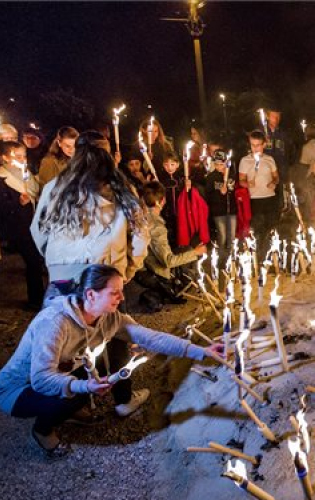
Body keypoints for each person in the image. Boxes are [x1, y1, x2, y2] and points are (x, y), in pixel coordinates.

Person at [0, 264, 222, 458]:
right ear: (91, 295)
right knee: (76, 395)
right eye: (115, 293)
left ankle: (68, 406)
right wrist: (84, 386)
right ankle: (42, 430)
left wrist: (201, 351)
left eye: (121, 291)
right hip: (17, 389)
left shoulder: (109, 318)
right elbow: (40, 379)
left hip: (61, 372)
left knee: (91, 379)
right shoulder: (55, 323)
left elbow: (151, 337)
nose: (122, 298)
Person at [31, 131, 150, 303]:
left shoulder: (54, 188)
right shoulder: (123, 190)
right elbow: (140, 235)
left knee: (61, 325)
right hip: (106, 272)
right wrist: (127, 270)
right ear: (108, 155)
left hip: (63, 272)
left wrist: (55, 258)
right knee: (105, 327)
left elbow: (39, 230)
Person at [136, 182, 206, 310]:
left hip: (142, 267)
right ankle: (171, 288)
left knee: (184, 249)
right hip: (150, 272)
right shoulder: (156, 226)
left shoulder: (142, 217)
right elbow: (168, 261)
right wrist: (196, 252)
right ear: (161, 201)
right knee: (189, 253)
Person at [0, 141, 44, 309]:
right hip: (18, 229)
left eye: (24, 156)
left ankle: (38, 298)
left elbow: (36, 190)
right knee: (33, 261)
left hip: (33, 225)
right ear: (4, 158)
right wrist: (18, 203)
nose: (22, 160)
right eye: (17, 157)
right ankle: (36, 301)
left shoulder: (26, 174)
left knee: (36, 261)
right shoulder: (3, 179)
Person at [239, 130, 279, 251]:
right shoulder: (245, 161)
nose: (255, 148)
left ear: (264, 145)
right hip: (254, 201)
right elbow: (241, 181)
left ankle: (270, 256)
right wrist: (247, 184)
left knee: (270, 229)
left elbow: (276, 177)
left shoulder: (270, 159)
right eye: (252, 145)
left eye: (258, 145)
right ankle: (257, 256)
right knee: (257, 230)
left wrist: (274, 182)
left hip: (270, 199)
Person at [204, 150, 237, 251]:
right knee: (222, 236)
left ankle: (231, 260)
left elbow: (234, 190)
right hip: (218, 211)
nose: (219, 167)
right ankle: (220, 259)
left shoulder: (232, 175)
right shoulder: (211, 177)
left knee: (232, 236)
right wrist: (219, 193)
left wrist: (228, 189)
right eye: (216, 164)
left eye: (221, 164)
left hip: (231, 210)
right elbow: (208, 194)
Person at [38, 126, 78, 191]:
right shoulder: (49, 162)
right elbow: (46, 188)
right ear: (59, 143)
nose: (72, 150)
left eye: (75, 146)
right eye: (67, 146)